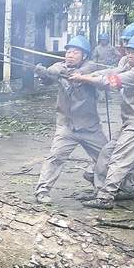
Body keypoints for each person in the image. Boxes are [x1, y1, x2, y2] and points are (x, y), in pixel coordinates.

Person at [70, 33, 134, 209]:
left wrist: (83, 78)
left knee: (120, 158)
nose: (130, 55)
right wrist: (90, 72)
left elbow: (111, 81)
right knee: (107, 152)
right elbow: (113, 71)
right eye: (128, 51)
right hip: (130, 121)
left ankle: (105, 198)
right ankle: (103, 190)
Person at [33, 35, 108, 205]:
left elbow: (80, 72)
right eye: (68, 52)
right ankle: (42, 191)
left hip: (90, 127)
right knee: (55, 157)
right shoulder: (59, 66)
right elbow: (49, 78)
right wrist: (43, 73)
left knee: (104, 157)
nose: (70, 55)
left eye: (75, 52)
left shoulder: (91, 67)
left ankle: (102, 191)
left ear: (84, 56)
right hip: (67, 126)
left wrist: (58, 72)